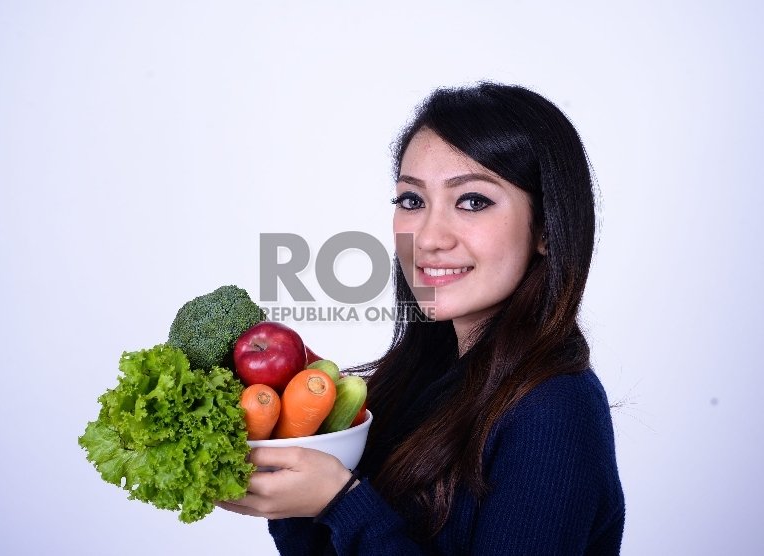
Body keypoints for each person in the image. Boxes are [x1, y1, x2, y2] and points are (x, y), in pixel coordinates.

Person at [218, 82, 626, 555]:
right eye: (412, 201)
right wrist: (293, 494)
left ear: (547, 230)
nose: (429, 237)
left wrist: (341, 502)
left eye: (473, 201)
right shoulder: (415, 383)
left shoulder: (555, 409)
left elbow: (351, 519)